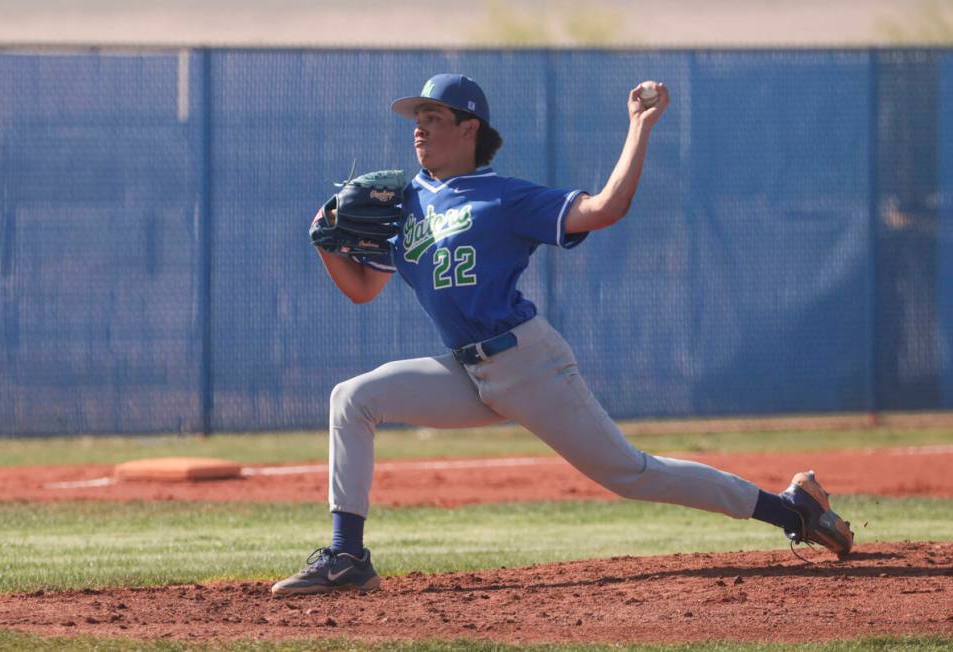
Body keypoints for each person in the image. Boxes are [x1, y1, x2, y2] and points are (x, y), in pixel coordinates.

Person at [270, 73, 854, 596]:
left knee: (632, 474)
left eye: (433, 118)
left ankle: (791, 509)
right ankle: (347, 555)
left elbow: (605, 209)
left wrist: (639, 127)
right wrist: (324, 241)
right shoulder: (405, 204)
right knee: (353, 398)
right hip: (467, 371)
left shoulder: (505, 195)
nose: (418, 131)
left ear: (469, 128)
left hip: (527, 363)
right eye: (416, 120)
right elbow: (362, 289)